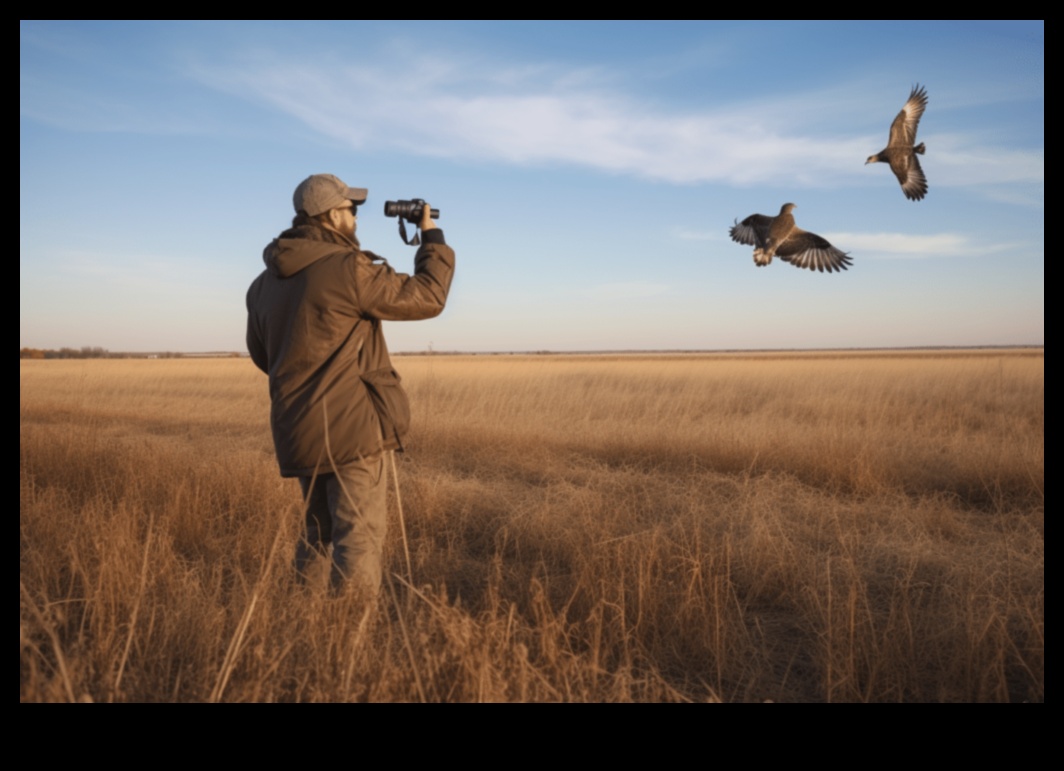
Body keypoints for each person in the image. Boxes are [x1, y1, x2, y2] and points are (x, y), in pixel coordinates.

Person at [246, 173, 455, 594]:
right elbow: (428, 297)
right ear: (330, 215)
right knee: (357, 540)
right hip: (352, 431)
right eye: (351, 209)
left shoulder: (263, 284)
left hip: (299, 430)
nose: (356, 218)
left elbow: (263, 355)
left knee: (316, 537)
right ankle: (350, 645)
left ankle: (306, 629)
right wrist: (431, 238)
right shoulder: (347, 268)